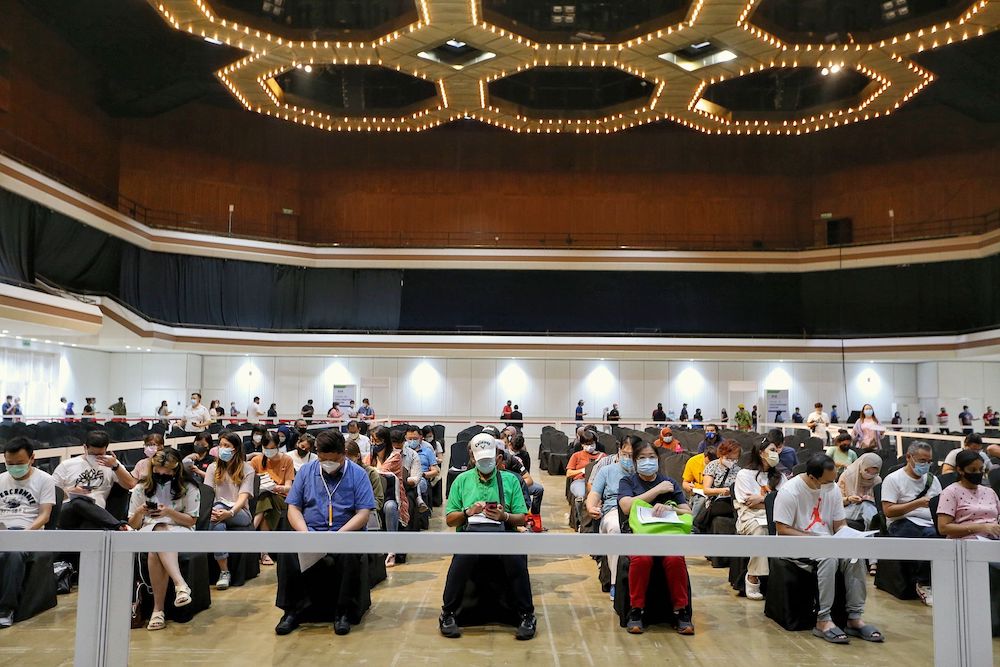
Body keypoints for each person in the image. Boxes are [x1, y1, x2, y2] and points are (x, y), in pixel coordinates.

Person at [274, 430, 376, 637]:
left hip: (345, 533)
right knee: (287, 553)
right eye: (323, 459)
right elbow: (293, 507)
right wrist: (305, 534)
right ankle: (291, 611)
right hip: (311, 532)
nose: (328, 463)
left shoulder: (358, 474)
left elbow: (363, 513)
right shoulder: (306, 472)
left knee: (348, 555)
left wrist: (339, 534)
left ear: (343, 454)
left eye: (333, 460)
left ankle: (343, 612)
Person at [773, 454, 883, 644]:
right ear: (812, 477)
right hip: (797, 545)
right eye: (827, 481)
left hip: (827, 542)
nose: (831, 485)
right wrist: (814, 540)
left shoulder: (831, 489)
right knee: (829, 558)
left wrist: (849, 535)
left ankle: (854, 617)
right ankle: (823, 620)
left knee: (854, 557)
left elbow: (838, 524)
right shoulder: (790, 491)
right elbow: (782, 529)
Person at [439, 434, 536, 640]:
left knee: (515, 559)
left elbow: (522, 518)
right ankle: (447, 613)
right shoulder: (461, 481)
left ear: (498, 457)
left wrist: (504, 516)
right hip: (470, 536)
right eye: (481, 460)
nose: (486, 463)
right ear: (472, 458)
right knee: (462, 558)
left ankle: (527, 614)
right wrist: (467, 513)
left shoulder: (510, 480)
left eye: (490, 459)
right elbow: (450, 519)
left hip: (504, 537)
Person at [617, 440, 694, 635]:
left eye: (651, 457)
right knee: (642, 559)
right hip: (639, 537)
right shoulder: (628, 482)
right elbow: (626, 506)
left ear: (658, 460)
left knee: (675, 559)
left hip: (667, 537)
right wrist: (657, 491)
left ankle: (681, 611)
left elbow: (688, 512)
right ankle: (636, 611)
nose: (647, 461)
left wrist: (671, 508)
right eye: (642, 458)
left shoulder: (671, 482)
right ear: (635, 462)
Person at [126, 448, 199, 631]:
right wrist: (140, 512)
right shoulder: (141, 488)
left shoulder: (189, 487)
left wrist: (169, 512)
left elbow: (192, 519)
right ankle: (180, 585)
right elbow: (133, 524)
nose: (162, 475)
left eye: (167, 472)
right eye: (159, 471)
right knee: (158, 533)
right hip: (148, 529)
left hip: (181, 529)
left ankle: (158, 610)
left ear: (176, 470)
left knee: (157, 544)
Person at [0, 438, 56, 629]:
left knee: (13, 554)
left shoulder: (45, 480)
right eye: (10, 464)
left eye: (19, 463)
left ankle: (5, 609)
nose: (14, 467)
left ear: (32, 458)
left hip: (28, 530)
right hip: (3, 529)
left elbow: (45, 515)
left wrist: (26, 532)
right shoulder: (1, 480)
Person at [881, 441, 941, 605]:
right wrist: (917, 503)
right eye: (922, 461)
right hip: (901, 521)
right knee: (924, 536)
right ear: (909, 457)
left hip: (929, 521)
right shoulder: (893, 479)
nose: (926, 465)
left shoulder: (932, 480)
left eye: (929, 461)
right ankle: (923, 583)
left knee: (942, 534)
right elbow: (889, 511)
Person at [586, 434, 639, 602]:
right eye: (625, 454)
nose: (629, 459)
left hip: (640, 512)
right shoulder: (607, 470)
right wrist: (591, 507)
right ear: (619, 451)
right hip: (613, 511)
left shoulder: (645, 471)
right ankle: (617, 583)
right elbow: (594, 494)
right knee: (616, 529)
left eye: (633, 455)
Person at [53, 430, 137, 530]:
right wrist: (70, 491)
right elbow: (51, 495)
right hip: (68, 511)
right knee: (78, 502)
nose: (96, 457)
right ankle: (118, 526)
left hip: (96, 515)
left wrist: (116, 467)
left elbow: (130, 484)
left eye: (100, 454)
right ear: (85, 448)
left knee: (90, 526)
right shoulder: (67, 465)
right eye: (92, 454)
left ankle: (115, 526)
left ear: (106, 449)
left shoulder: (111, 463)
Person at [734, 439, 786, 600]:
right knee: (761, 530)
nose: (775, 453)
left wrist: (761, 498)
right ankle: (752, 577)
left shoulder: (780, 476)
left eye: (776, 450)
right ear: (760, 453)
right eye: (771, 450)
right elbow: (750, 504)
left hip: (776, 516)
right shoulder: (744, 474)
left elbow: (787, 501)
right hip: (750, 517)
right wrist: (770, 500)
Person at [204, 432, 255, 590]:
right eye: (221, 445)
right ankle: (224, 571)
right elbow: (208, 494)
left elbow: (243, 497)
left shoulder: (247, 469)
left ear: (236, 449)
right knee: (217, 522)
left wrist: (230, 512)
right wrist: (216, 512)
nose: (222, 449)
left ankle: (224, 572)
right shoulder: (213, 468)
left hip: (240, 513)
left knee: (218, 514)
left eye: (227, 446)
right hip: (218, 511)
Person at [250, 431, 296, 566]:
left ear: (278, 446)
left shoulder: (287, 460)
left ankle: (250, 533)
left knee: (267, 498)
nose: (269, 452)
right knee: (266, 501)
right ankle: (264, 552)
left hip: (281, 497)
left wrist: (278, 488)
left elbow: (289, 487)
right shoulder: (256, 460)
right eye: (266, 449)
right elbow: (249, 484)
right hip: (260, 498)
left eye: (272, 448)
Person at [368, 427, 411, 568]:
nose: (374, 444)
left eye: (377, 441)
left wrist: (369, 469)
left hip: (391, 495)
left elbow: (380, 472)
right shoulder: (369, 457)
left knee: (390, 507)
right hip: (372, 494)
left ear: (385, 441)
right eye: (372, 441)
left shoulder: (395, 456)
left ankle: (391, 550)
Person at [935, 449, 1000, 541]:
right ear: (960, 470)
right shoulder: (950, 492)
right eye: (972, 470)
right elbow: (943, 528)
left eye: (981, 469)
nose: (978, 473)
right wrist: (981, 527)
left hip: (993, 542)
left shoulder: (990, 492)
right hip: (966, 543)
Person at [567, 430, 605, 519]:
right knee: (581, 497)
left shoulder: (603, 456)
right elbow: (569, 473)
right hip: (580, 481)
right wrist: (582, 471)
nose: (590, 446)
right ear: (582, 444)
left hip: (597, 482)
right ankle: (582, 520)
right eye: (587, 444)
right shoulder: (576, 455)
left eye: (592, 444)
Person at [838, 453, 882, 529]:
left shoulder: (877, 480)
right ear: (862, 466)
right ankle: (875, 530)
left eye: (874, 473)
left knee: (866, 505)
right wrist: (849, 499)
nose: (870, 476)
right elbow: (837, 501)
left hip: (870, 508)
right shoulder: (847, 476)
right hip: (847, 510)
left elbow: (879, 502)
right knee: (865, 506)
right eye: (867, 472)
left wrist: (870, 499)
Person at [405, 425, 439, 514]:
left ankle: (419, 500)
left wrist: (423, 474)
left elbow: (436, 471)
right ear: (405, 438)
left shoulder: (427, 451)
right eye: (410, 438)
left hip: (422, 478)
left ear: (420, 437)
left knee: (417, 482)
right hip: (405, 477)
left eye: (415, 438)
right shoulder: (403, 451)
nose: (412, 441)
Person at [700, 439, 742, 510]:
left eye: (734, 459)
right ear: (721, 455)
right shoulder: (713, 466)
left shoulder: (738, 469)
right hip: (716, 501)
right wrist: (721, 491)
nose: (731, 462)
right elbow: (706, 490)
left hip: (733, 501)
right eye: (728, 458)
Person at [346, 441, 384, 515]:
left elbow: (378, 500)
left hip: (367, 512)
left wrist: (363, 507)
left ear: (358, 456)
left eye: (350, 460)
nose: (347, 464)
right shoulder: (340, 473)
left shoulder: (370, 473)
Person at [510, 434, 544, 515]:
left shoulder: (525, 455)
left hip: (522, 482)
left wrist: (522, 484)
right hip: (509, 483)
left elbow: (527, 473)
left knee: (539, 489)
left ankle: (535, 515)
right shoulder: (505, 455)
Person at [682, 438, 716, 518]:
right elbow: (685, 482)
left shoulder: (720, 462)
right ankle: (692, 525)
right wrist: (686, 486)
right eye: (708, 463)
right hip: (699, 493)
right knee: (701, 501)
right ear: (704, 456)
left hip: (715, 492)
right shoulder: (693, 461)